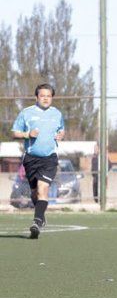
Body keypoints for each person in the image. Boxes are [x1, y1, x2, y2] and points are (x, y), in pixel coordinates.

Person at [11, 83, 65, 239]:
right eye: (43, 96)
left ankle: (37, 222)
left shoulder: (57, 114)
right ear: (37, 97)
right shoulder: (26, 113)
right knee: (35, 193)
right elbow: (15, 132)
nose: (46, 99)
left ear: (52, 98)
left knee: (43, 188)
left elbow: (61, 129)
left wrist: (61, 135)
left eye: (49, 96)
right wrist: (28, 134)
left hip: (49, 158)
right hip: (31, 159)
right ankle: (40, 213)